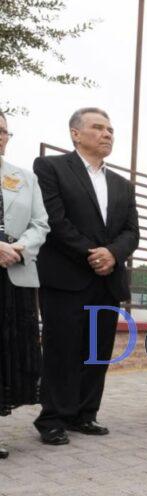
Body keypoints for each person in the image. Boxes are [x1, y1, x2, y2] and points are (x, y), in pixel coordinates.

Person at [33, 108, 140, 445]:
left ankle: (84, 414)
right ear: (75, 134)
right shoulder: (50, 168)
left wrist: (113, 254)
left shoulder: (122, 184)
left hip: (107, 280)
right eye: (97, 127)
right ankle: (52, 418)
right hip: (66, 277)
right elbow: (54, 220)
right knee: (61, 350)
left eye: (110, 129)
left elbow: (131, 232)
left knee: (97, 350)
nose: (107, 134)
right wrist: (93, 253)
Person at [0, 110, 50, 459]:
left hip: (13, 274)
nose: (0, 135)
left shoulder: (23, 177)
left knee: (7, 351)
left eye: (4, 131)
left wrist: (20, 247)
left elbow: (40, 223)